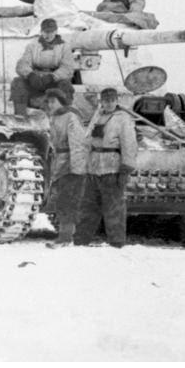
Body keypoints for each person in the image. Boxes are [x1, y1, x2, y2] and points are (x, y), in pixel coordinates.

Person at [74, 88, 138, 248]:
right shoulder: (98, 115)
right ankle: (81, 240)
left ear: (116, 101)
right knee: (88, 206)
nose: (108, 103)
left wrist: (126, 168)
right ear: (101, 101)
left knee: (113, 207)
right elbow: (87, 139)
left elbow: (129, 144)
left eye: (111, 100)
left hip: (112, 167)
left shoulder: (123, 118)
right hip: (94, 167)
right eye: (105, 100)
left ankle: (116, 243)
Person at [44, 88, 88, 247]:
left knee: (68, 201)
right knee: (63, 201)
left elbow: (77, 144)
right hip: (61, 164)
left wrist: (77, 169)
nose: (50, 104)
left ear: (61, 101)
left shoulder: (70, 117)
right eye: (48, 101)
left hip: (71, 165)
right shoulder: (55, 117)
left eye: (53, 101)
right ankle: (66, 236)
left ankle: (66, 237)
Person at [10, 18, 75, 117]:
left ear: (56, 31)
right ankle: (20, 117)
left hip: (54, 81)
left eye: (51, 32)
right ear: (41, 31)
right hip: (36, 80)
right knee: (18, 82)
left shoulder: (64, 47)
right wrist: (30, 75)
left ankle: (63, 117)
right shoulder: (32, 46)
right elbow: (22, 64)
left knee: (65, 85)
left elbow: (68, 68)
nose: (48, 35)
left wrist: (53, 76)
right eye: (45, 32)